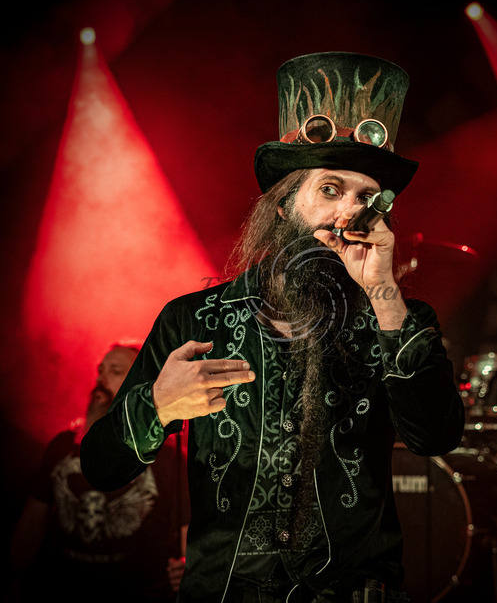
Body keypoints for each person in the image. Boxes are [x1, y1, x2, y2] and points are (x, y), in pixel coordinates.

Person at [80, 52, 465, 603]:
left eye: (365, 198)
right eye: (330, 189)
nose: (347, 213)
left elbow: (436, 437)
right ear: (283, 204)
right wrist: (157, 407)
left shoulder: (397, 318)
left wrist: (383, 292)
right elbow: (100, 468)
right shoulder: (195, 319)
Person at [8, 344, 189, 603]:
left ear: (143, 387)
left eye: (115, 371)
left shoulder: (168, 457)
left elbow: (187, 534)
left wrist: (188, 569)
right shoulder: (62, 446)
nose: (100, 380)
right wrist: (14, 576)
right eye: (100, 370)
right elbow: (33, 521)